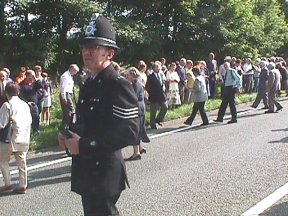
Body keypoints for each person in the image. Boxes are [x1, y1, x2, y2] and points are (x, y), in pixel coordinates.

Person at [58, 13, 140, 216]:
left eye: (94, 47)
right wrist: (69, 135)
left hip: (104, 171)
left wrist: (84, 145)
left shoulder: (118, 85)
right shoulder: (90, 83)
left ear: (109, 54)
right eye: (85, 47)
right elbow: (86, 122)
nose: (87, 52)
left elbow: (130, 132)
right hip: (88, 170)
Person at [0, 82, 32, 194]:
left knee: (3, 160)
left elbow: (2, 124)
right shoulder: (25, 104)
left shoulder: (7, 105)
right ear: (18, 92)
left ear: (6, 93)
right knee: (22, 161)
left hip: (10, 137)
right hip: (24, 135)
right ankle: (23, 185)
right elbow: (30, 120)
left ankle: (8, 183)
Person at [125, 67, 150, 161]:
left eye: (128, 75)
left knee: (134, 130)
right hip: (141, 108)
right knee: (139, 129)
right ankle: (141, 147)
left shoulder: (135, 85)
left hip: (136, 109)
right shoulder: (139, 83)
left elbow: (133, 97)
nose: (126, 77)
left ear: (132, 75)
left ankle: (136, 153)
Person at [146, 61, 168, 129]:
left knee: (165, 107)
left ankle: (159, 119)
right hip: (154, 96)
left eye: (159, 67)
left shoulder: (160, 75)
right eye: (157, 67)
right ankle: (152, 125)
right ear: (154, 68)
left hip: (161, 95)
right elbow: (148, 87)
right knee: (153, 111)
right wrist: (152, 93)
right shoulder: (150, 76)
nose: (159, 68)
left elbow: (162, 84)